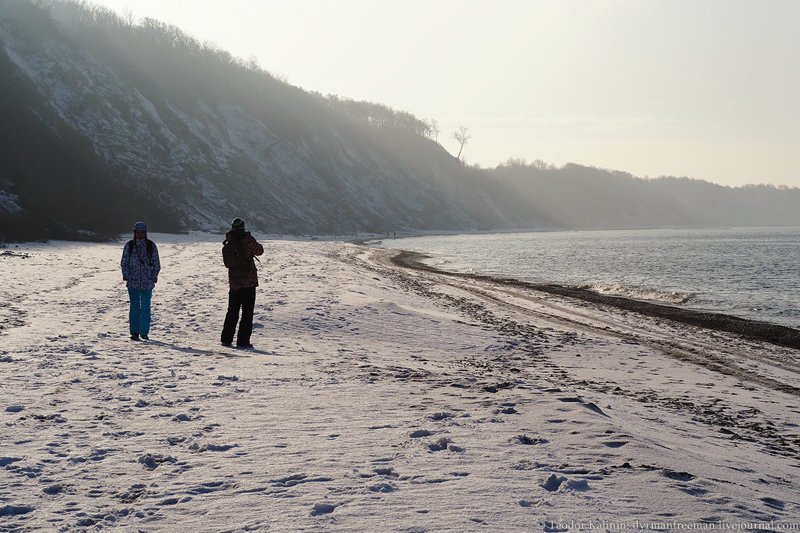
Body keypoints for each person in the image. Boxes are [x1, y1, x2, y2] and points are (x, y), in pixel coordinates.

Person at [221, 217, 264, 349]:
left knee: (232, 311)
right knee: (247, 313)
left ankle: (226, 339)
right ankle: (243, 341)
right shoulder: (247, 240)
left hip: (234, 283)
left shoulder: (229, 241)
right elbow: (260, 251)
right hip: (248, 283)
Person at [121, 221, 160, 340]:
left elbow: (156, 262)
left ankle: (144, 332)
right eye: (138, 232)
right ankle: (134, 332)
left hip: (147, 281)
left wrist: (154, 275)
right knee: (134, 307)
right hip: (132, 281)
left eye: (142, 232)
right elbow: (124, 262)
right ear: (134, 232)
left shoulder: (150, 246)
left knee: (145, 307)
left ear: (145, 232)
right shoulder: (129, 245)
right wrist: (126, 275)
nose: (140, 234)